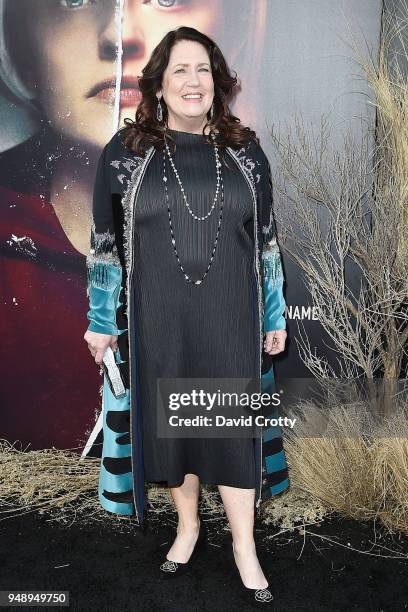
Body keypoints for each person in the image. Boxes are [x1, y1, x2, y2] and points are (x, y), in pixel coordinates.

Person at [0, 0, 269, 451]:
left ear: (237, 26)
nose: (120, 37)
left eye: (167, 0)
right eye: (74, 1)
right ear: (19, 36)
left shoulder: (248, 211)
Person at [84, 26, 289, 607]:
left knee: (228, 431)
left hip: (230, 318)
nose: (192, 81)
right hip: (159, 321)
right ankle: (189, 528)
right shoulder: (125, 155)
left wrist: (273, 312)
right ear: (159, 84)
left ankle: (245, 548)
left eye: (203, 69)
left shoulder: (246, 153)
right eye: (179, 70)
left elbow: (267, 243)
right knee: (178, 430)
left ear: (218, 82)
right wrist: (102, 321)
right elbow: (104, 248)